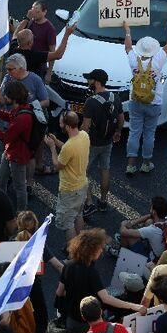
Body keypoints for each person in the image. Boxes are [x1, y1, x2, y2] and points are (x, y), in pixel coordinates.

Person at [123, 15, 167, 175]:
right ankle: (146, 163)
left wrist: (127, 30)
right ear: (153, 50)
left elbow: (127, 47)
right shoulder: (157, 61)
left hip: (135, 101)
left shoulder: (134, 61)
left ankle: (131, 164)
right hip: (154, 102)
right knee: (149, 134)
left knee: (134, 132)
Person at [0, 81, 33, 211]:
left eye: (6, 96)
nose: (4, 98)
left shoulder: (22, 119)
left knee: (20, 187)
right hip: (10, 151)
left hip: (17, 155)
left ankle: (21, 214)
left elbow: (5, 138)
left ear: (14, 98)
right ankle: (2, 207)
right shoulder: (22, 108)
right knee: (0, 179)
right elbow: (10, 116)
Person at [81, 68, 123, 215]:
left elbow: (85, 126)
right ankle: (103, 201)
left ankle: (89, 202)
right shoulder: (115, 97)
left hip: (92, 143)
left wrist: (77, 140)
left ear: (96, 82)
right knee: (105, 169)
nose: (88, 82)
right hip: (107, 142)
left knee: (82, 172)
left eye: (90, 79)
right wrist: (117, 131)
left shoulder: (91, 102)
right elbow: (121, 117)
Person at [45, 111, 90, 242]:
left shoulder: (69, 147)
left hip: (69, 190)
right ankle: (80, 246)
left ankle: (73, 252)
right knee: (78, 215)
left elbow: (57, 165)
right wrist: (57, 141)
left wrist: (52, 147)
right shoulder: (84, 135)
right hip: (82, 185)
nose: (59, 125)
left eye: (61, 123)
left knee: (67, 223)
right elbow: (69, 151)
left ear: (68, 127)